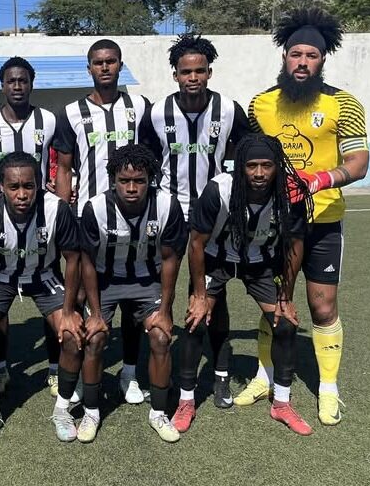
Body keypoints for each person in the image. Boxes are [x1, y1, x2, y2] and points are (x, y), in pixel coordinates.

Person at [242, 8, 370, 425]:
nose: (301, 62)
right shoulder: (260, 104)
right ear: (283, 56)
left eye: (310, 55)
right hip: (274, 224)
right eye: (295, 53)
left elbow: (358, 162)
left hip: (323, 222)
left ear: (322, 59)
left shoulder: (343, 103)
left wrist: (318, 180)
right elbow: (249, 160)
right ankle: (264, 376)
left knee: (322, 305)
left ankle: (328, 389)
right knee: (272, 306)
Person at [143, 33, 251, 409]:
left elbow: (252, 148)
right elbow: (144, 159)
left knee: (211, 295)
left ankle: (219, 376)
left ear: (209, 72)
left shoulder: (229, 109)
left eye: (200, 71)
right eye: (186, 71)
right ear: (175, 74)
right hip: (172, 212)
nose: (193, 77)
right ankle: (160, 367)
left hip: (216, 215)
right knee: (164, 289)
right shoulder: (157, 112)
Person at [181, 133, 314, 435]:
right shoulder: (219, 189)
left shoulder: (290, 192)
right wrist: (200, 295)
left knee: (285, 325)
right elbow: (197, 243)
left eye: (266, 165)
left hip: (259, 263)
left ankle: (281, 403)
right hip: (217, 259)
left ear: (277, 166)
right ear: (240, 165)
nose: (258, 173)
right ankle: (186, 400)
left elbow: (295, 245)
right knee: (195, 322)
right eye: (251, 165)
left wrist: (286, 296)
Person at [0, 152, 83, 444]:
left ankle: (63, 410)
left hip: (44, 278)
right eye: (14, 187)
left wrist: (68, 310)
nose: (22, 194)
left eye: (28, 186)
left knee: (73, 334)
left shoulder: (57, 209)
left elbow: (73, 260)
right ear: (0, 185)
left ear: (38, 184)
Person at [53, 38, 152, 404]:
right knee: (78, 294)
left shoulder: (140, 107)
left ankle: (128, 372)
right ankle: (77, 374)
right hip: (88, 219)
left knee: (131, 297)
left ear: (120, 65)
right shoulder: (72, 113)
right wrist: (64, 213)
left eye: (111, 61)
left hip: (134, 218)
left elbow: (152, 160)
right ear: (89, 68)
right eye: (98, 62)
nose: (105, 67)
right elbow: (64, 167)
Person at [80, 146, 188, 443]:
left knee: (161, 337)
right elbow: (86, 262)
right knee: (95, 337)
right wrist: (96, 313)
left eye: (139, 181)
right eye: (123, 180)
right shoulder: (96, 208)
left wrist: (165, 311)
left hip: (146, 280)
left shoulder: (167, 205)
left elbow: (170, 260)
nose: (131, 188)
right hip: (105, 279)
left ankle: (159, 413)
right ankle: (91, 411)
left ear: (150, 179)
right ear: (112, 179)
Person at [0, 56, 62, 397]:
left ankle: (55, 368)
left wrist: (58, 188)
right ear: (2, 85)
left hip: (41, 210)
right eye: (11, 81)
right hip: (0, 213)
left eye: (23, 80)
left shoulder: (49, 120)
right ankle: (0, 367)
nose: (17, 86)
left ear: (31, 83)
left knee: (48, 279)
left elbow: (63, 160)